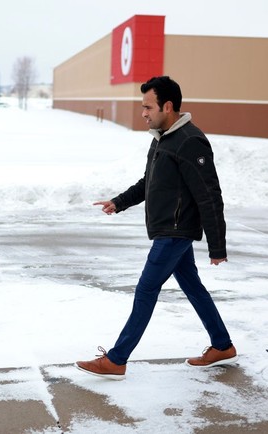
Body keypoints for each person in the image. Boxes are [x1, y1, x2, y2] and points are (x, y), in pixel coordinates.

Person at [76, 76, 237, 380]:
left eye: (148, 106)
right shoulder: (162, 138)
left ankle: (117, 359)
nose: (144, 113)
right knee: (192, 286)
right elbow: (149, 182)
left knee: (146, 289)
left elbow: (209, 194)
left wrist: (218, 246)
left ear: (168, 105)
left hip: (175, 232)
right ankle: (222, 345)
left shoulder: (190, 141)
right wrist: (118, 201)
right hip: (169, 231)